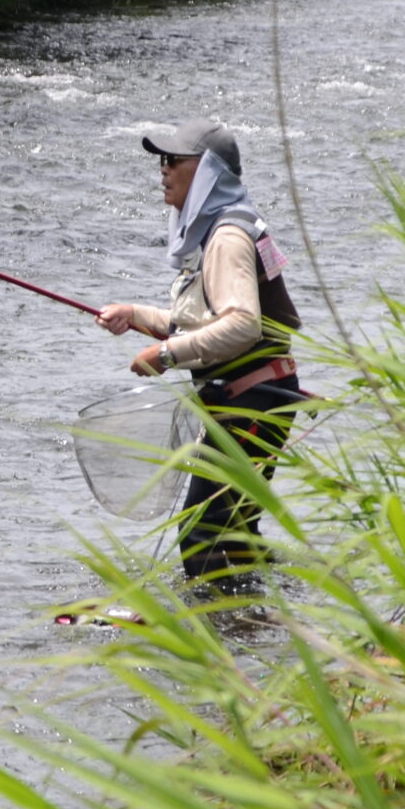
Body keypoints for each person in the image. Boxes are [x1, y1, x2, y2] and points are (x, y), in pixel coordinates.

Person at [95, 120, 308, 583]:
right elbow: (203, 321)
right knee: (235, 535)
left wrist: (165, 355)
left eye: (173, 160)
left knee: (202, 536)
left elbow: (241, 325)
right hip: (258, 397)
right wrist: (134, 314)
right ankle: (255, 630)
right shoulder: (221, 229)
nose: (162, 170)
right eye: (161, 160)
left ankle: (217, 640)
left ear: (208, 171)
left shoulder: (227, 238)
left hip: (253, 402)